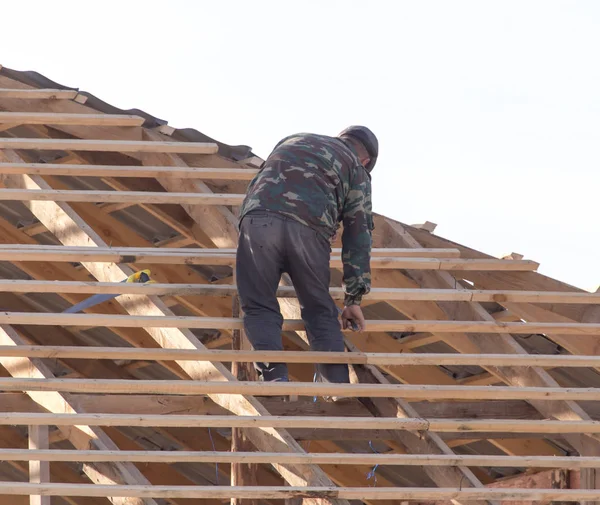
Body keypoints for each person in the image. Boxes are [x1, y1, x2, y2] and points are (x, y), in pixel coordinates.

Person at [236, 125, 378, 389]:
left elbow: (257, 187)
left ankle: (274, 378)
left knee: (258, 305)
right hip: (308, 232)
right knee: (319, 311)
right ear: (366, 160)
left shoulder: (294, 139)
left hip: (258, 221)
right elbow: (359, 234)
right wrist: (353, 299)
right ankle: (336, 388)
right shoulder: (356, 169)